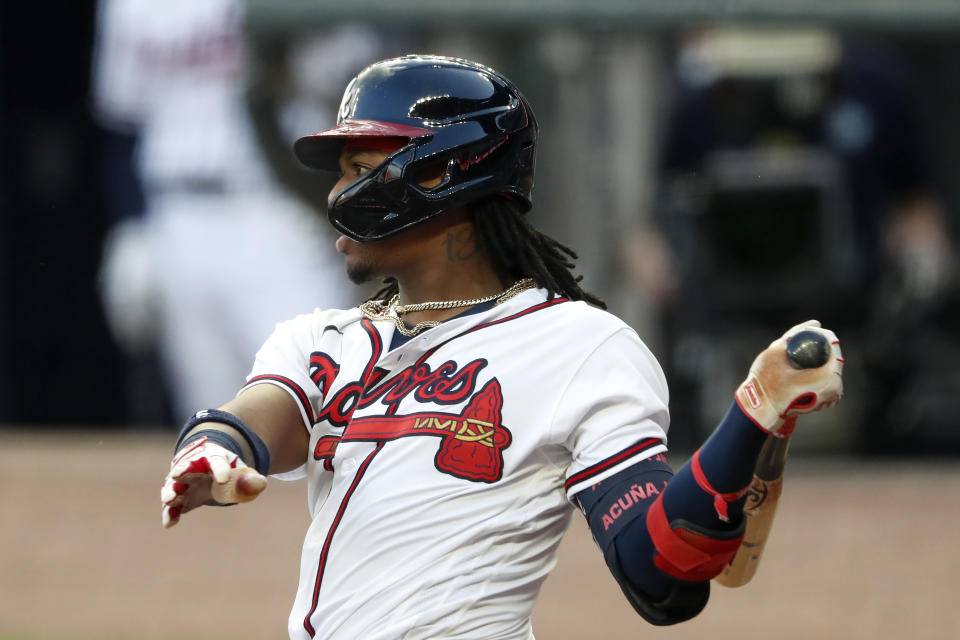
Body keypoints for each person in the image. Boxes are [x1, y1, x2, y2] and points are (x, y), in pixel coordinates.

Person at [160, 55, 844, 639]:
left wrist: (752, 415)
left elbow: (660, 570)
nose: (337, 192)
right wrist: (215, 447)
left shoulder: (578, 346)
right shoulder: (326, 339)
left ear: (439, 172)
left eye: (359, 165)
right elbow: (258, 418)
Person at [91, 0, 362, 423]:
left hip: (276, 207)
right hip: (175, 211)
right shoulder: (130, 6)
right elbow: (122, 124)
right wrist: (131, 229)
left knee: (318, 400)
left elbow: (351, 84)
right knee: (208, 418)